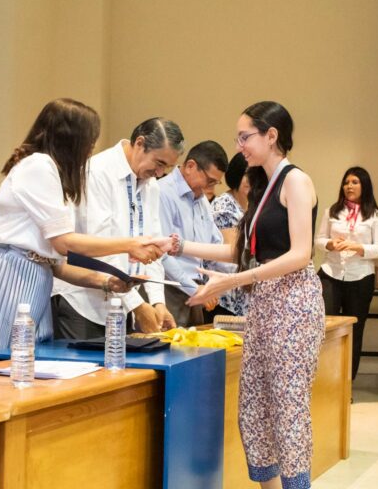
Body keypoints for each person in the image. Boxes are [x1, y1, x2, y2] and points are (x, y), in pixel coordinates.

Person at [172, 101, 324, 489]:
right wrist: (178, 247)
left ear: (272, 136)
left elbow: (300, 254)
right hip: (264, 303)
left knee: (287, 408)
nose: (239, 145)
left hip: (294, 301)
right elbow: (235, 251)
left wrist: (236, 281)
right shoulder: (261, 186)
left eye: (245, 137)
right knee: (254, 408)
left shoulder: (295, 181)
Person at [0, 98, 170, 366]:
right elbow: (64, 243)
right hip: (9, 274)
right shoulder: (38, 166)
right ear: (72, 140)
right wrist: (129, 245)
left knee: (24, 365)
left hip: (36, 276)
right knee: (1, 361)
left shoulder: (51, 172)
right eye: (90, 142)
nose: (91, 150)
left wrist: (106, 282)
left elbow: (56, 265)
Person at [53, 118, 184, 338]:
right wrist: (138, 305)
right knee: (85, 372)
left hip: (120, 305)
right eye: (159, 163)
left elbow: (154, 247)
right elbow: (102, 247)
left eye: (167, 168)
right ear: (140, 143)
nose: (160, 173)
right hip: (81, 303)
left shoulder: (150, 185)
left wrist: (158, 301)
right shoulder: (98, 172)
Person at [314, 166, 378, 380]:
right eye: (347, 182)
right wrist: (330, 243)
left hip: (360, 277)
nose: (349, 186)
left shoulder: (376, 216)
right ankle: (323, 381)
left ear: (364, 186)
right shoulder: (332, 211)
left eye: (354, 182)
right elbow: (318, 241)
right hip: (331, 273)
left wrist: (358, 248)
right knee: (324, 327)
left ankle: (346, 384)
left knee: (354, 332)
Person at [158, 140, 228, 326]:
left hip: (197, 288)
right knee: (170, 352)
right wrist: (195, 290)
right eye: (210, 180)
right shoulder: (163, 192)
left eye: (216, 182)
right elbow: (161, 253)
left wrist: (216, 283)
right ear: (190, 166)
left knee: (195, 351)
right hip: (168, 288)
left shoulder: (202, 200)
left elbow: (215, 245)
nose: (211, 188)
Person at [207, 152, 251, 318]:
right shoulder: (224, 206)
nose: (253, 181)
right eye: (248, 175)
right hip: (227, 298)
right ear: (237, 174)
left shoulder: (252, 204)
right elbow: (232, 254)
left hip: (245, 292)